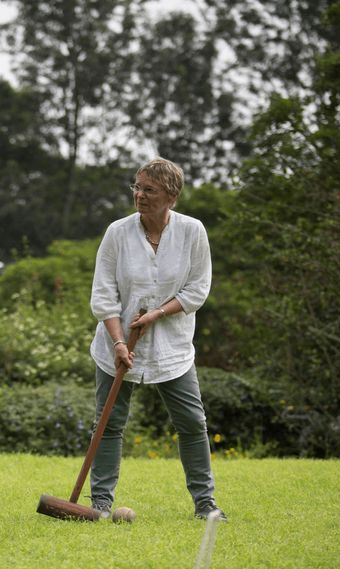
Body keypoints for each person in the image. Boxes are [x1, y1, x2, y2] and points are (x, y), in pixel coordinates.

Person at [88, 157, 226, 521]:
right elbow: (103, 295)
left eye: (149, 190)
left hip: (172, 348)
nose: (140, 195)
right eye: (137, 187)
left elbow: (198, 288)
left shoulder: (193, 231)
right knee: (108, 423)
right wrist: (119, 342)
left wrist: (157, 314)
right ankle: (100, 503)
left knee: (192, 423)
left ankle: (205, 504)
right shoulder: (117, 232)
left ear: (171, 196)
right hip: (114, 345)